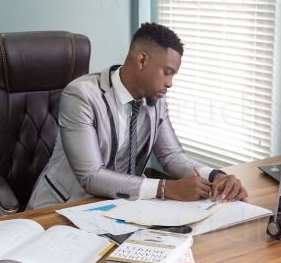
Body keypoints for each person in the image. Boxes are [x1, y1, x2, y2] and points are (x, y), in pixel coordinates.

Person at [27, 23, 247, 209]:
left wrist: (216, 176)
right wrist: (164, 188)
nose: (170, 83)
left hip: (119, 208)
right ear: (142, 61)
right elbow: (91, 176)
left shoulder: (155, 99)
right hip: (62, 208)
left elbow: (172, 156)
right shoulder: (81, 95)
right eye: (167, 73)